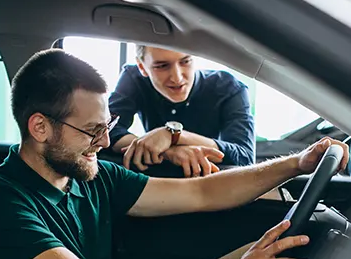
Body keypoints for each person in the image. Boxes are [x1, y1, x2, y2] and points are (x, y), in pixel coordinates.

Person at [0, 49, 348, 259]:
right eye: (93, 131)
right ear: (40, 128)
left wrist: (297, 164)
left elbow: (203, 191)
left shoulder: (93, 177)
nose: (105, 142)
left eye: (108, 127)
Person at [108, 46, 255, 178]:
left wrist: (174, 136)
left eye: (185, 62)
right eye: (162, 66)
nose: (177, 78)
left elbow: (245, 158)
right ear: (142, 67)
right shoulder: (133, 78)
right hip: (155, 180)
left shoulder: (229, 87)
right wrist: (166, 152)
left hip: (209, 182)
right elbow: (106, 131)